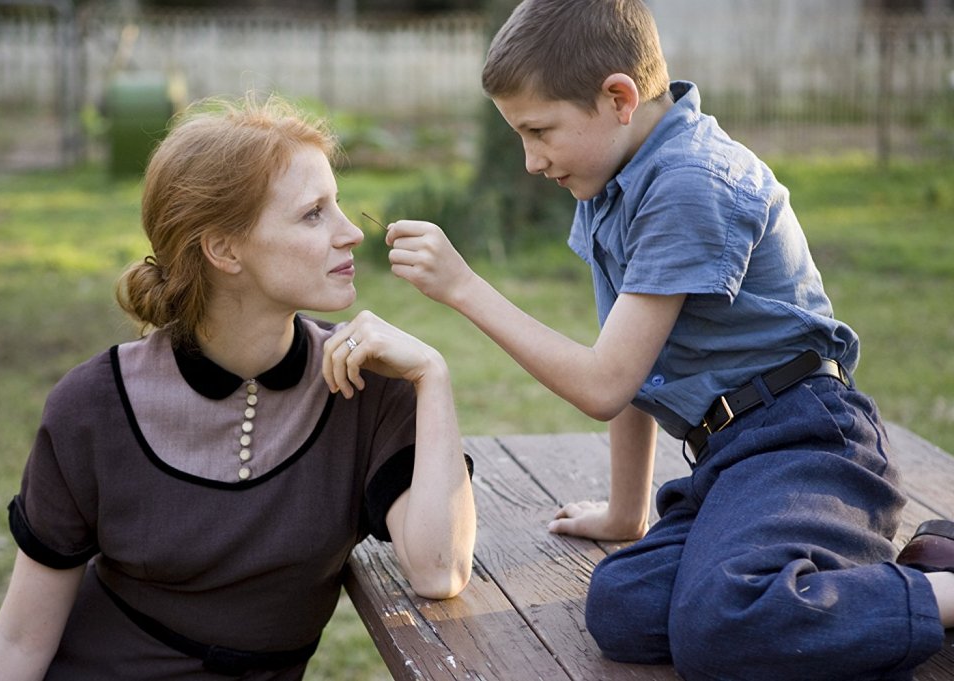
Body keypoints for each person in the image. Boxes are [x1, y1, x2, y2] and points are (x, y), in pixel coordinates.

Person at [381, 1, 953, 679]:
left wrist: (464, 287)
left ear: (618, 97)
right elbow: (633, 371)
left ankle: (937, 585)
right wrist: (627, 514)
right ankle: (821, 570)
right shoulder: (609, 187)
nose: (532, 160)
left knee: (723, 627)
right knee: (623, 606)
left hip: (808, 442)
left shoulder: (688, 183)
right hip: (732, 460)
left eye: (539, 131)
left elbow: (603, 384)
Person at [0, 93, 476, 681]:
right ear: (224, 248)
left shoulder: (368, 384)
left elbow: (440, 571)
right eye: (313, 214)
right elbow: (20, 642)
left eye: (339, 206)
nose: (351, 233)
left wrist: (433, 376)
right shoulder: (92, 409)